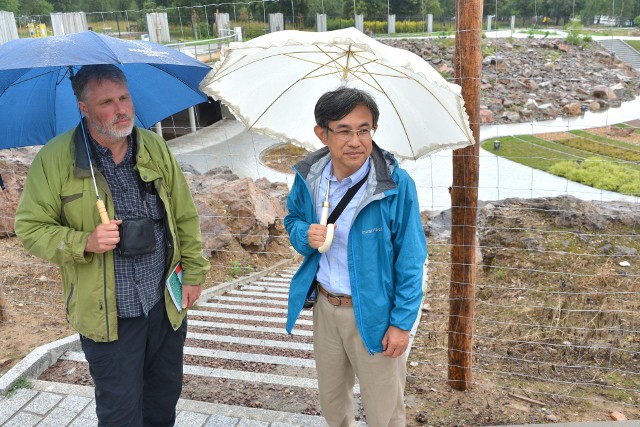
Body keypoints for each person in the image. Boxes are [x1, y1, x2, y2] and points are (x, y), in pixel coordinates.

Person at [14, 64, 210, 426]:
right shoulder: (55, 159)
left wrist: (195, 273)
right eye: (107, 102)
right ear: (84, 108)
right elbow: (29, 228)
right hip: (109, 315)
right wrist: (83, 241)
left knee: (164, 397)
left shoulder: (153, 146)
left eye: (125, 97)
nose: (122, 109)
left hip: (164, 303)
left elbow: (184, 214)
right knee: (119, 409)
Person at [284, 87, 427, 427]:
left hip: (377, 313)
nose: (356, 141)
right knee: (333, 405)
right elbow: (291, 220)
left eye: (364, 130)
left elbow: (411, 258)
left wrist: (401, 323)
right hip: (326, 306)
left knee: (384, 413)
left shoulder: (394, 183)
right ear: (322, 133)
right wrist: (306, 234)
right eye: (344, 130)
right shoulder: (310, 176)